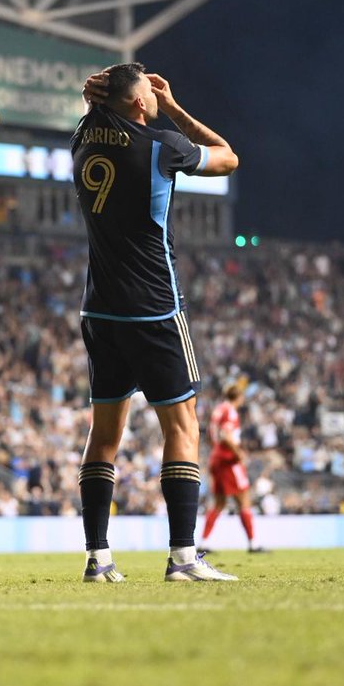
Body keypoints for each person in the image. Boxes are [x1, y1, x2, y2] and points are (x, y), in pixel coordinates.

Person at [74, 62, 239, 582]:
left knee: (103, 436)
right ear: (141, 104)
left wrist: (97, 101)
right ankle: (184, 558)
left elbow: (97, 114)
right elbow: (228, 158)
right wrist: (174, 108)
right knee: (183, 425)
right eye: (148, 88)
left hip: (99, 308)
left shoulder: (80, 139)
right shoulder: (162, 146)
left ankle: (97, 559)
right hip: (154, 306)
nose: (154, 90)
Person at [201, 382, 265, 552]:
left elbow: (211, 435)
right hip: (228, 461)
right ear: (239, 397)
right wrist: (239, 454)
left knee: (219, 503)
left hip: (216, 458)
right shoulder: (230, 411)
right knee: (244, 500)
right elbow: (226, 436)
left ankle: (203, 542)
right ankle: (253, 543)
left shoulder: (218, 410)